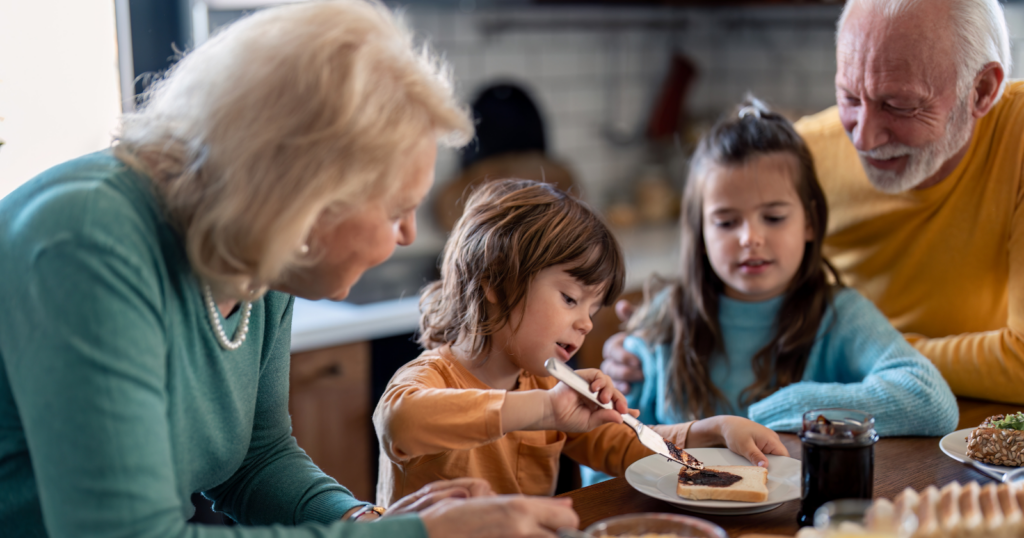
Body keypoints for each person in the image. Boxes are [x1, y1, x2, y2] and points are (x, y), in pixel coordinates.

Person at [0, 2, 584, 537]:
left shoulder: (256, 256)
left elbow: (258, 462)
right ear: (303, 195)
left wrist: (359, 517)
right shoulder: (86, 241)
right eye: (396, 209)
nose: (410, 233)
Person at [603, 0, 1024, 405]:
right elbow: (722, 284)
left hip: (972, 425)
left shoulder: (1017, 135)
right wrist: (653, 340)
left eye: (899, 105)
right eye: (850, 98)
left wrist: (877, 361)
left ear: (982, 90)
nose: (863, 138)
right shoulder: (799, 158)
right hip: (836, 423)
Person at [373, 178, 788, 505]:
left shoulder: (541, 387)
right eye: (570, 299)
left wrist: (712, 430)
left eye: (592, 310)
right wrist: (544, 410)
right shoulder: (431, 378)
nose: (586, 324)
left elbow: (624, 445)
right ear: (495, 284)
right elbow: (400, 422)